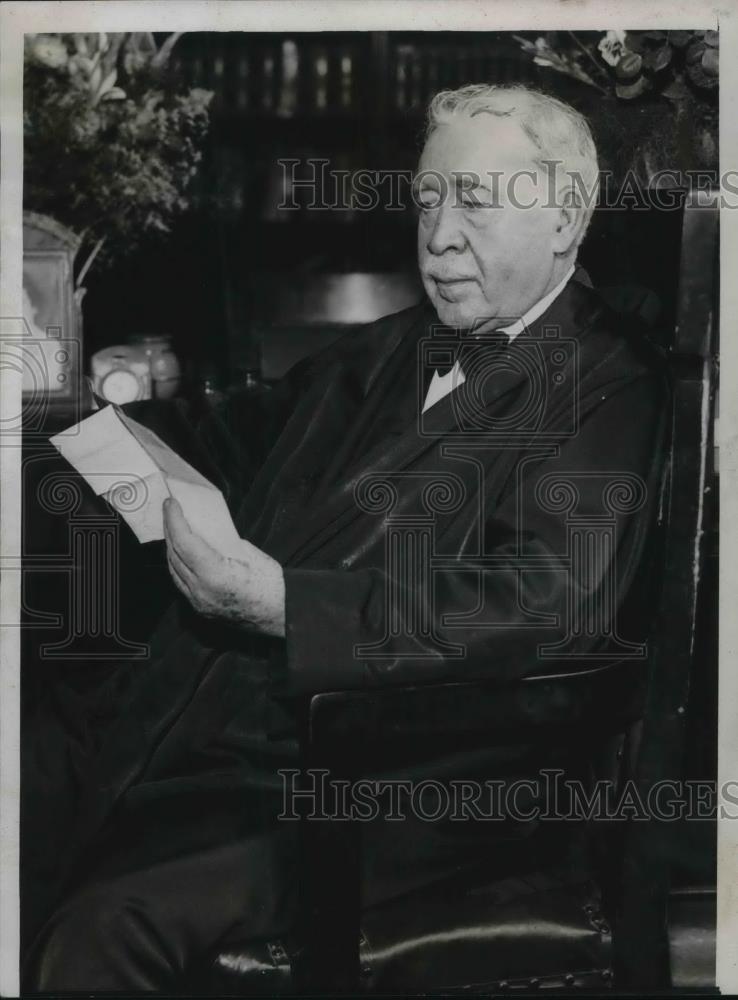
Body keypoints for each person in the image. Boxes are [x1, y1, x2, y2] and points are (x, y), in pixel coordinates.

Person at [26, 83, 667, 992]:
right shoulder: (389, 350)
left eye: (475, 202)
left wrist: (284, 603)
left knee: (104, 927)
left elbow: (545, 599)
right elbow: (228, 437)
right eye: (428, 199)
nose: (439, 235)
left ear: (566, 220)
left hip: (398, 784)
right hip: (225, 726)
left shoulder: (610, 380)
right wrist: (85, 437)